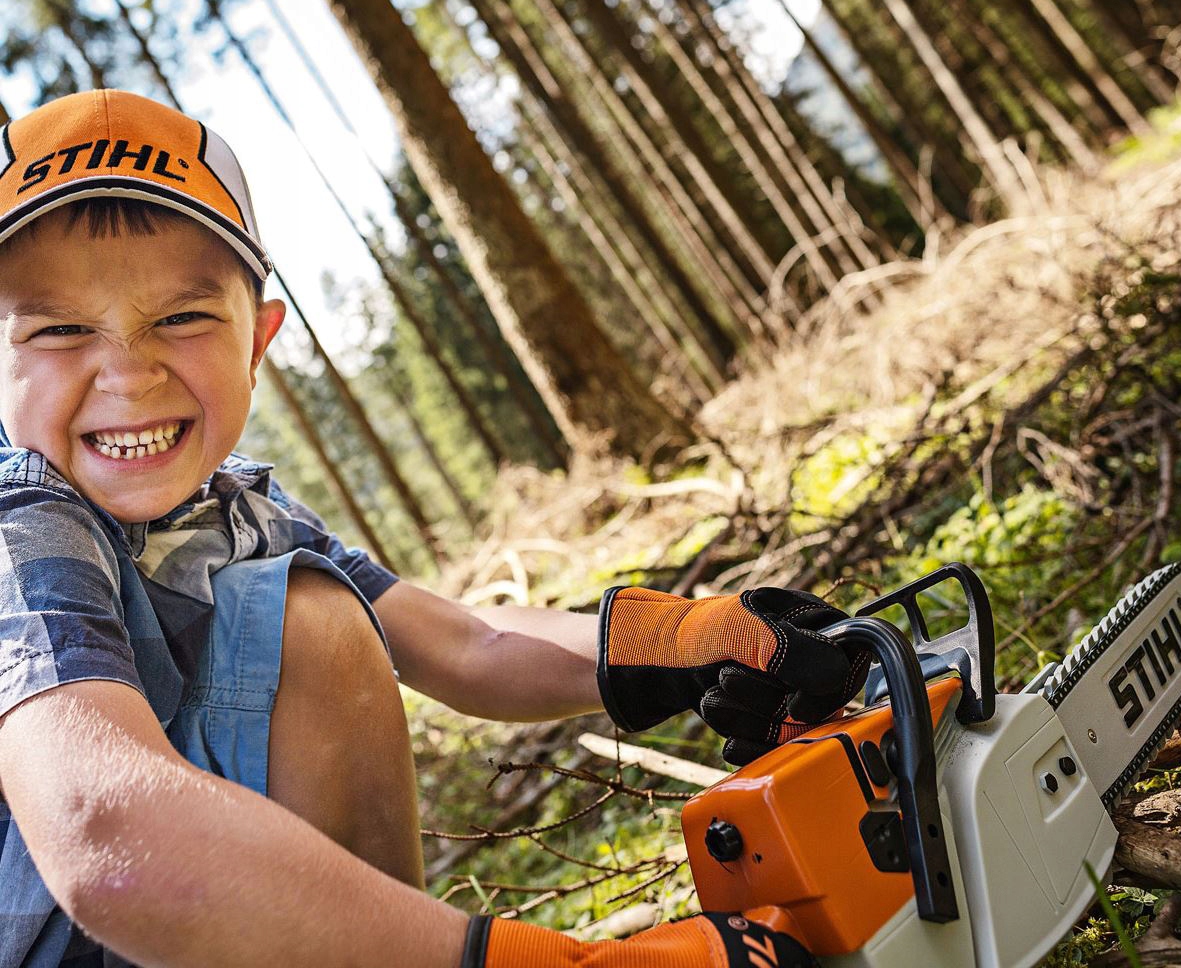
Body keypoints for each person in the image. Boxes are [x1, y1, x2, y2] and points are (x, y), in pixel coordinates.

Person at [0, 90, 864, 967]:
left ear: (257, 341)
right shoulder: (20, 529)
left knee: (322, 615)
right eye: (62, 329)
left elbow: (468, 643)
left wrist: (673, 638)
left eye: (179, 317)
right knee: (313, 620)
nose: (128, 373)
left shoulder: (241, 516)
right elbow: (99, 829)